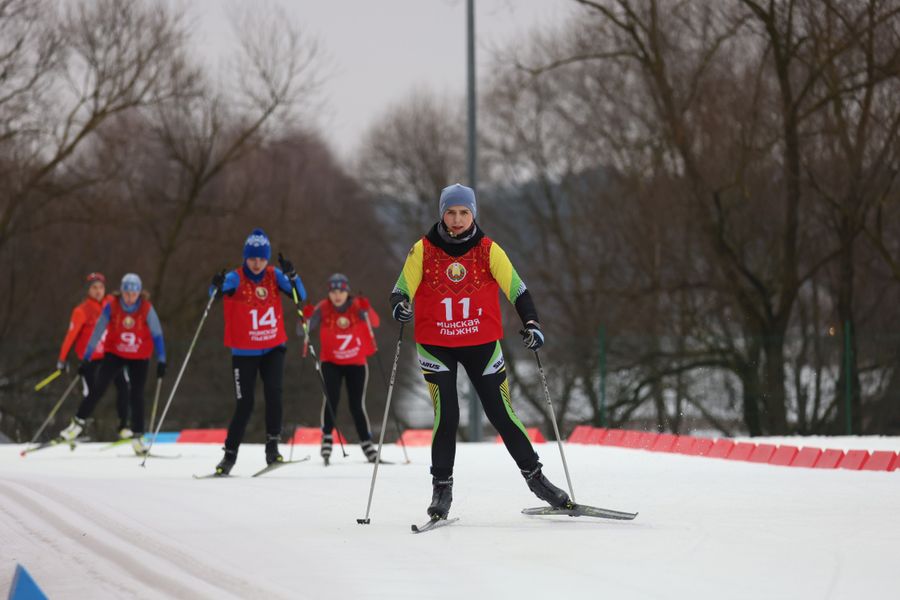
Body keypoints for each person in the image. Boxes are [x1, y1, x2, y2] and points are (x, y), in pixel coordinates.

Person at [390, 183, 572, 519]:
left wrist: (532, 324)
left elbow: (518, 291)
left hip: (482, 344)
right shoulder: (423, 250)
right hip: (436, 344)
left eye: (463, 212)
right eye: (450, 212)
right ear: (441, 214)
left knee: (501, 413)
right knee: (447, 414)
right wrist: (400, 306)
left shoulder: (489, 250)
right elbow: (401, 290)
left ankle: (537, 479)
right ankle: (441, 489)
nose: (457, 220)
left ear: (473, 213)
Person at [209, 228, 306, 475]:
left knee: (274, 394)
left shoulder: (274, 275)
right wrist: (216, 286)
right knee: (245, 404)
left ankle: (272, 448)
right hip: (244, 352)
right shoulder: (236, 277)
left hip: (273, 346)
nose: (257, 263)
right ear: (245, 257)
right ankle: (229, 457)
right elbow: (215, 295)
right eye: (253, 258)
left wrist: (292, 275)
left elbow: (300, 296)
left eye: (262, 258)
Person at [58, 274, 167, 455]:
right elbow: (97, 332)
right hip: (115, 353)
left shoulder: (146, 308)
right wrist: (86, 358)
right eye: (127, 293)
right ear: (121, 292)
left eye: (134, 293)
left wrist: (162, 359)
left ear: (139, 293)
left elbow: (157, 334)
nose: (130, 297)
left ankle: (138, 435)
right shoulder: (112, 306)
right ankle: (76, 424)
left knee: (136, 394)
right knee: (98, 388)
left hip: (139, 356)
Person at [302, 273, 380, 464]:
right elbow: (302, 330)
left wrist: (366, 308)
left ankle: (366, 443)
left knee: (356, 405)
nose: (337, 296)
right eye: (334, 291)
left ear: (347, 292)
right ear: (329, 293)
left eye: (341, 291)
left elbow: (375, 323)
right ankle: (327, 438)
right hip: (331, 362)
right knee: (331, 400)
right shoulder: (323, 307)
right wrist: (306, 315)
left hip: (356, 363)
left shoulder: (355, 306)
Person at [56, 272, 132, 440]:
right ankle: (77, 425)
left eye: (101, 287)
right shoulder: (81, 311)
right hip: (91, 359)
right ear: (88, 290)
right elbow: (71, 336)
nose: (98, 291)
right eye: (94, 288)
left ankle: (124, 426)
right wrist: (62, 359)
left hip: (111, 355)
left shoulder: (111, 304)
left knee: (124, 386)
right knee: (94, 393)